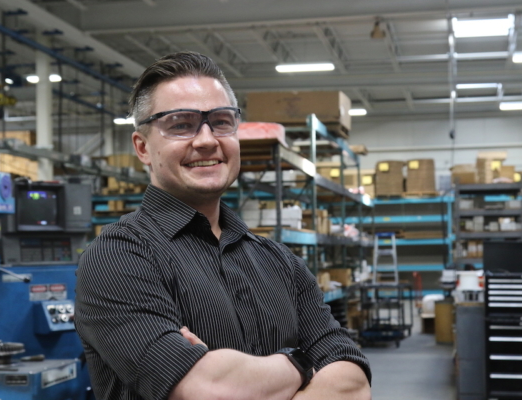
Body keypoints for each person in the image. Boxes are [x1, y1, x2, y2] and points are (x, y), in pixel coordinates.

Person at [75, 51, 371, 400]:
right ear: (142, 146)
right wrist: (302, 364)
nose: (205, 140)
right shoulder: (117, 258)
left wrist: (245, 380)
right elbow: (211, 391)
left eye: (220, 121)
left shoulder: (280, 262)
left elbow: (353, 383)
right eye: (180, 124)